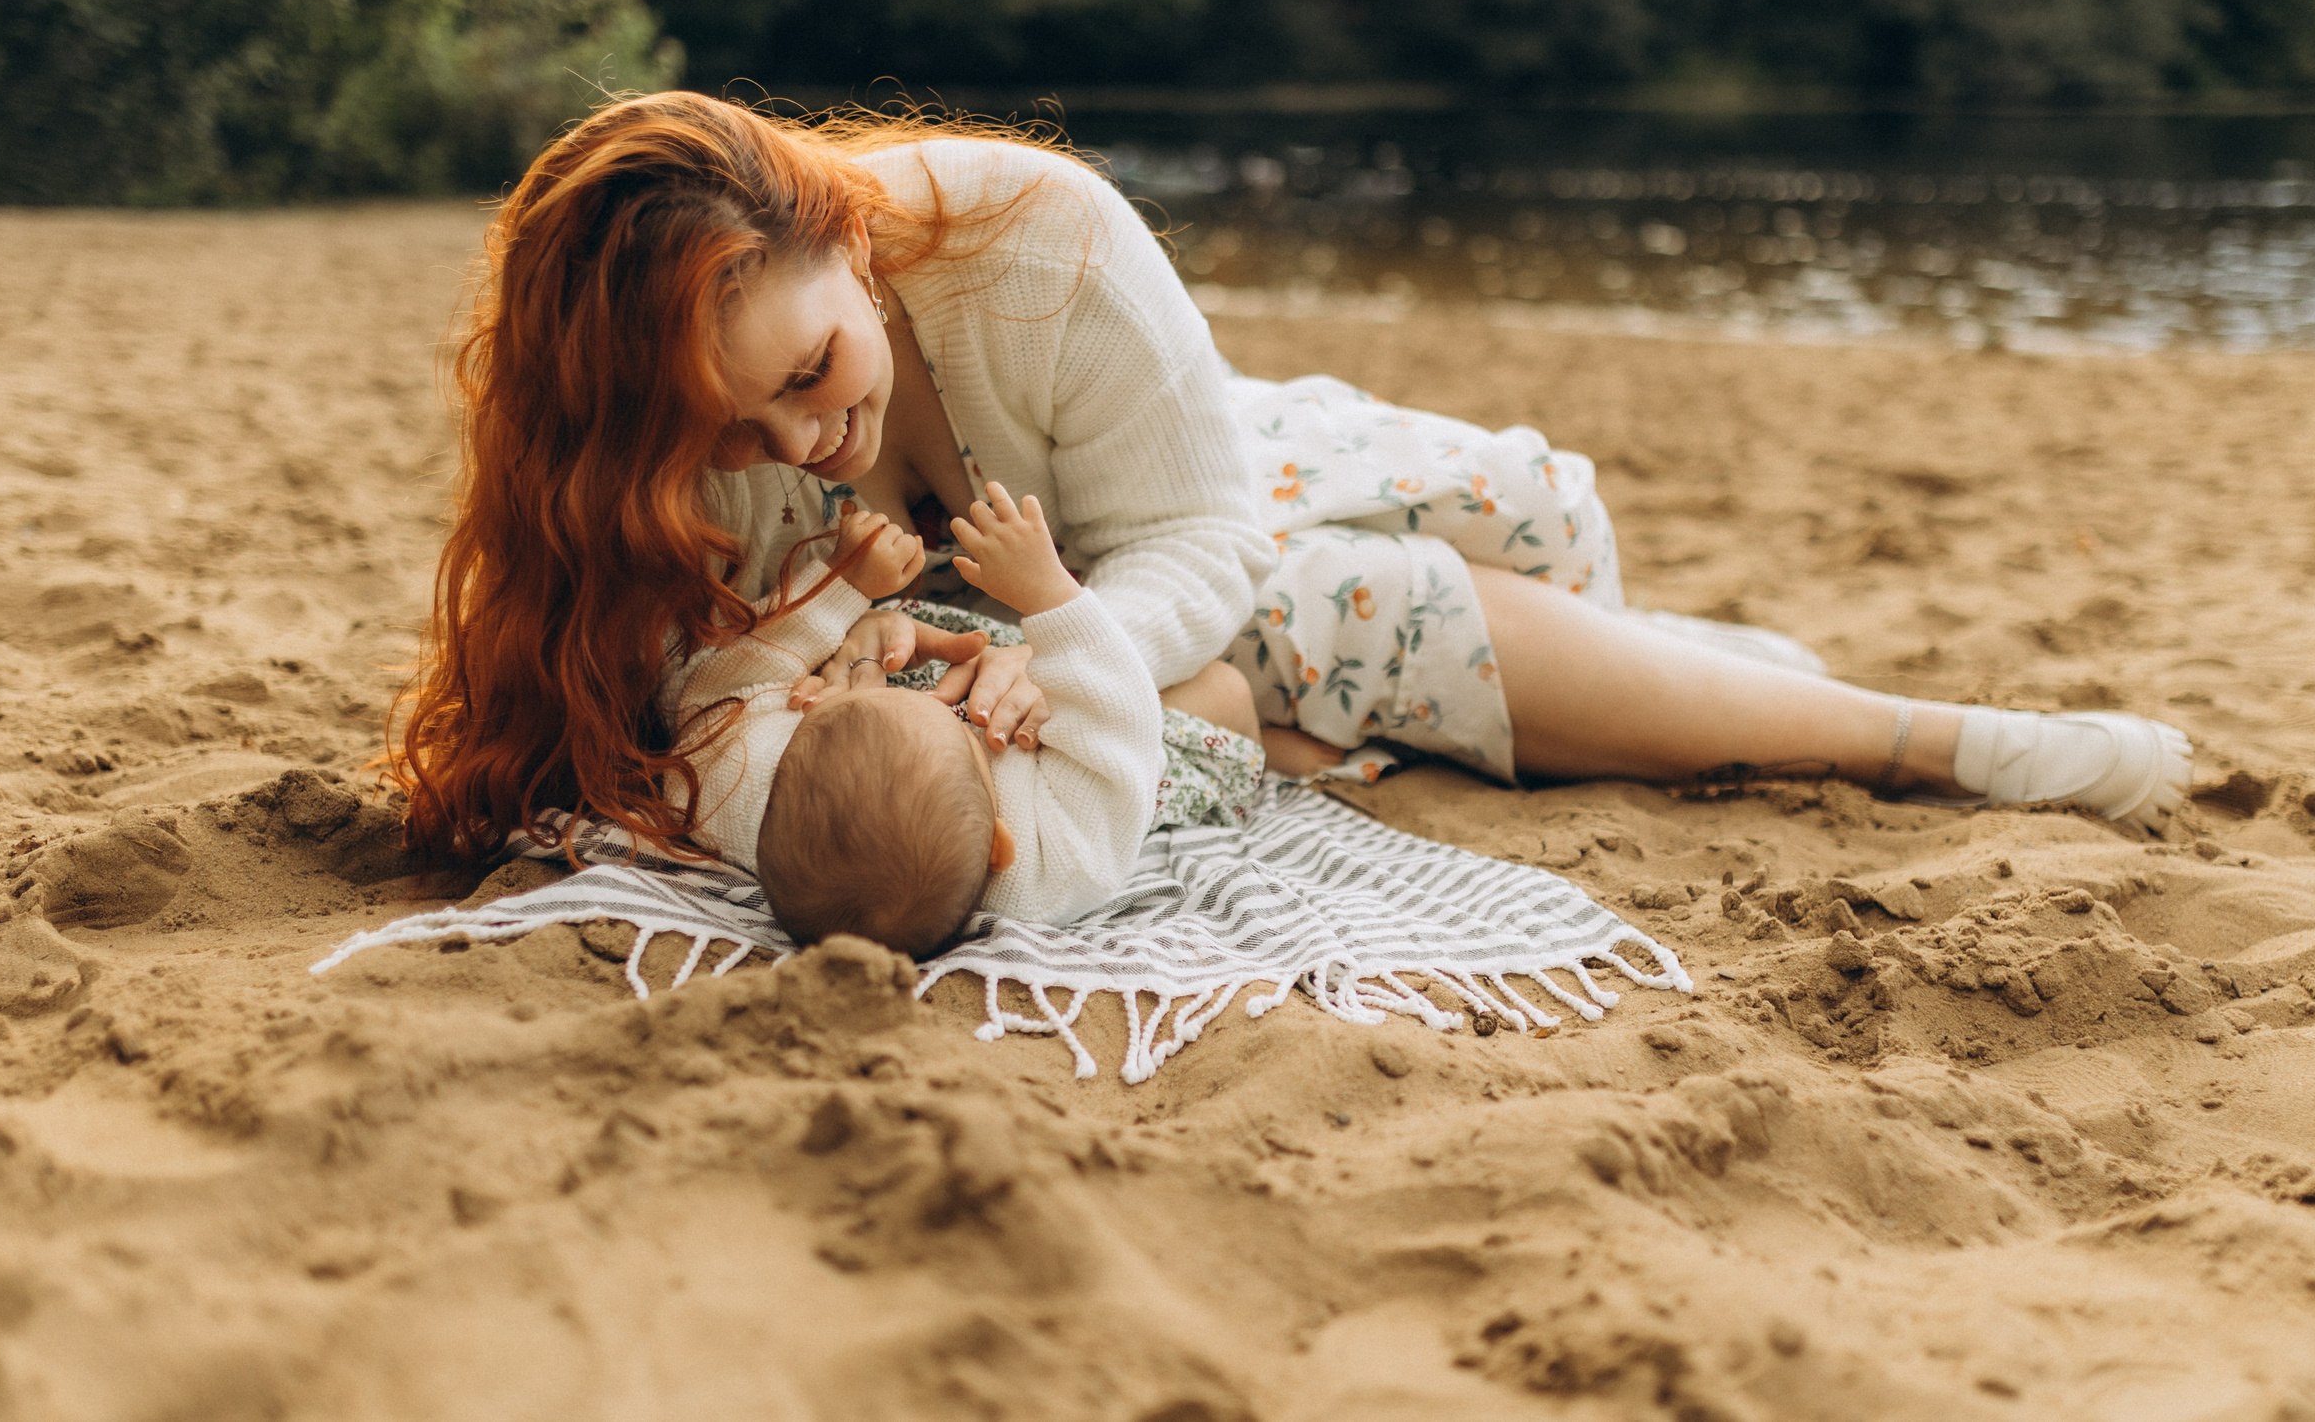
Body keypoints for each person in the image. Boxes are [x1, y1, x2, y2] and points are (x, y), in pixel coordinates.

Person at [393, 92, 2190, 868]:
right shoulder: (659, 451)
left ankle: (1870, 721)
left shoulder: (1045, 244)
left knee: (1393, 587)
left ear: (846, 235)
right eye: (734, 435)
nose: (801, 448)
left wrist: (1068, 636)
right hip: (1094, 622)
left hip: (1211, 506)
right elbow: (661, 693)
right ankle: (1835, 720)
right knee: (1291, 664)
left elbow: (1194, 526)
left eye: (812, 378)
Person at [661, 488, 1189, 957]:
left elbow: (716, 695)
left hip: (937, 641)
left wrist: (841, 587)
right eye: (956, 725)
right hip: (1104, 753)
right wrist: (1051, 598)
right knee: (1218, 702)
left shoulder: (739, 796)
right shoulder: (1050, 872)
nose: (882, 684)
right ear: (998, 847)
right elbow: (1124, 735)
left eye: (861, 696)